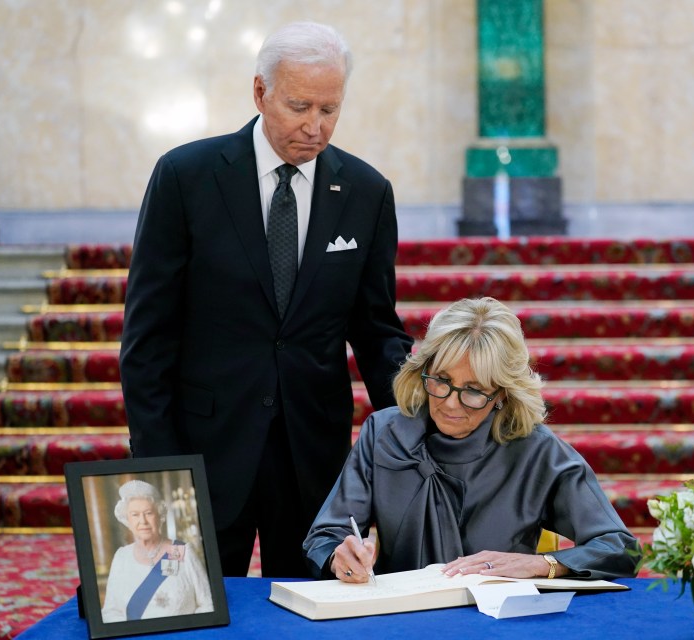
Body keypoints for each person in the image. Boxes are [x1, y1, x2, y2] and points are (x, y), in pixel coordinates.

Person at [119, 21, 413, 578]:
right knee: (196, 616)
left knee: (312, 617)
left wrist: (416, 425)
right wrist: (159, 469)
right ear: (260, 92)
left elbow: (376, 330)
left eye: (330, 109)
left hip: (313, 456)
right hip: (204, 449)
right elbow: (148, 338)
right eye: (299, 106)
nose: (316, 126)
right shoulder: (186, 177)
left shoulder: (366, 192)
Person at [303, 297, 640, 582]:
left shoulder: (536, 450)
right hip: (401, 621)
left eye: (474, 390)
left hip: (500, 623)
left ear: (502, 395)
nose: (450, 402)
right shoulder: (384, 433)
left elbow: (619, 548)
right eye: (441, 380)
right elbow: (325, 535)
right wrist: (339, 556)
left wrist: (542, 564)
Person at [101, 480, 213, 622]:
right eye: (135, 515)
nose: (143, 521)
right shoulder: (121, 557)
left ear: (160, 516)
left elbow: (208, 604)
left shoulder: (182, 552)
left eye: (148, 513)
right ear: (127, 520)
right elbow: (111, 611)